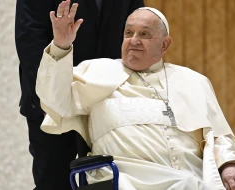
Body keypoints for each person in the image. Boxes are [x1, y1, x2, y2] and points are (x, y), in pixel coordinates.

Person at [35, 2, 235, 190]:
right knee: (186, 186)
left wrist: (230, 165)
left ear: (164, 44)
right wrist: (61, 46)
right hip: (133, 175)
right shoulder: (96, 72)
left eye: (144, 34)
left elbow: (218, 134)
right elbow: (55, 101)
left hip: (197, 172)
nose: (134, 41)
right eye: (129, 33)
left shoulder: (193, 81)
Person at [15, 0, 144, 189]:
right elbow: (29, 38)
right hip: (51, 105)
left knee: (106, 179)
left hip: (108, 100)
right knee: (53, 180)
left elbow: (138, 22)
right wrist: (47, 98)